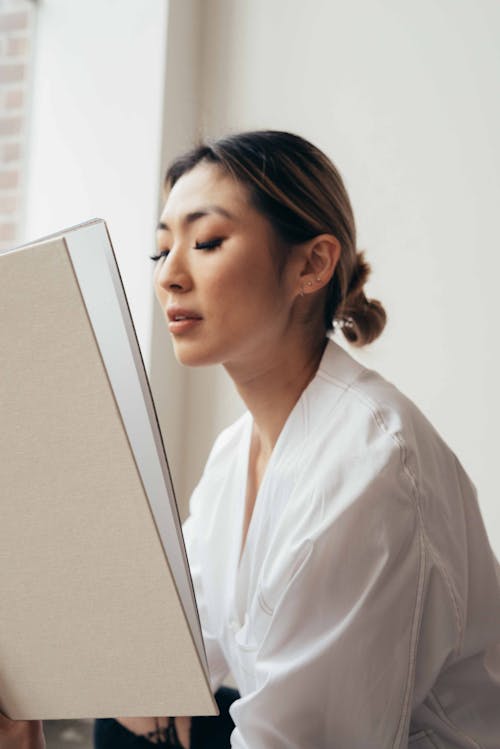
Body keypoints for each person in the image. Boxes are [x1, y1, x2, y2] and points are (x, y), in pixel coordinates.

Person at [4, 130, 499, 748]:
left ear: (312, 264)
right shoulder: (235, 454)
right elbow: (175, 651)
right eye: (161, 252)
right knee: (127, 713)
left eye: (207, 241)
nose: (170, 278)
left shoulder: (368, 464)